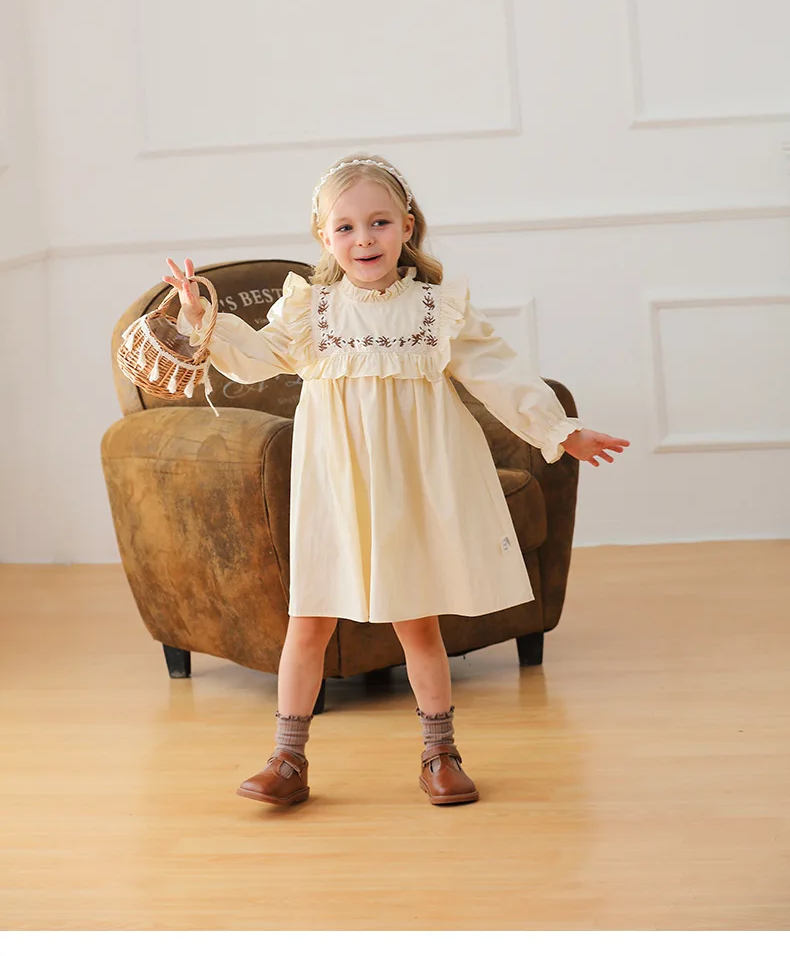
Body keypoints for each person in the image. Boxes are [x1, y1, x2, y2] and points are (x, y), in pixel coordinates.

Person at [164, 153, 630, 809]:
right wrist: (198, 315)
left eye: (379, 222)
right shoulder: (310, 313)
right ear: (324, 237)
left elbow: (500, 372)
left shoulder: (437, 311)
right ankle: (287, 758)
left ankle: (440, 753)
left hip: (408, 490)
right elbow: (252, 358)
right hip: (333, 489)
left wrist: (559, 430)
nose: (364, 239)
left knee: (417, 624)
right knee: (308, 623)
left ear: (407, 227)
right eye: (346, 227)